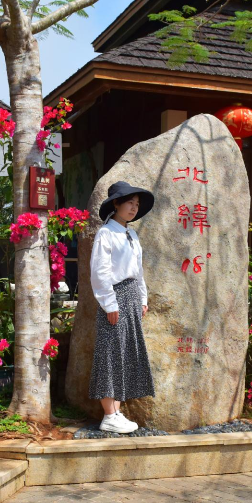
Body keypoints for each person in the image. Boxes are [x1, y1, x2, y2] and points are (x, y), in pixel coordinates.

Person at [88, 181, 156, 434]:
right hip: (115, 297)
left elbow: (138, 271)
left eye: (137, 204)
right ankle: (108, 414)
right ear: (116, 204)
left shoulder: (132, 235)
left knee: (124, 353)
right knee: (109, 353)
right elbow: (100, 271)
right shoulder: (106, 233)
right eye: (129, 203)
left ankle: (116, 412)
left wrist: (142, 299)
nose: (134, 208)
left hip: (131, 297)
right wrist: (109, 304)